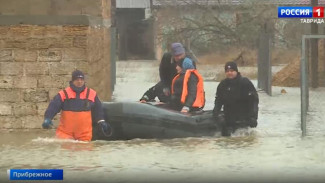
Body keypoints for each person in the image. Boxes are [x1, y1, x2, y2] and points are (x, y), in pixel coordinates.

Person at [42, 70, 112, 141]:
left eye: (81, 79)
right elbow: (53, 106)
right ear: (72, 81)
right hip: (65, 133)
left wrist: (101, 121)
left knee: (85, 149)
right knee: (65, 149)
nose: (79, 82)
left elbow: (98, 110)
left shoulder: (92, 94)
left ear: (84, 81)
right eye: (77, 79)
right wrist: (48, 118)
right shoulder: (63, 94)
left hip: (84, 134)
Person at [212, 61, 259, 136]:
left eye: (232, 71)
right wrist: (216, 115)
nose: (229, 73)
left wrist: (254, 117)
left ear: (236, 71)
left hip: (244, 120)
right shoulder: (222, 85)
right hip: (229, 120)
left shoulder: (245, 83)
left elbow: (254, 101)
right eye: (227, 71)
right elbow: (218, 101)